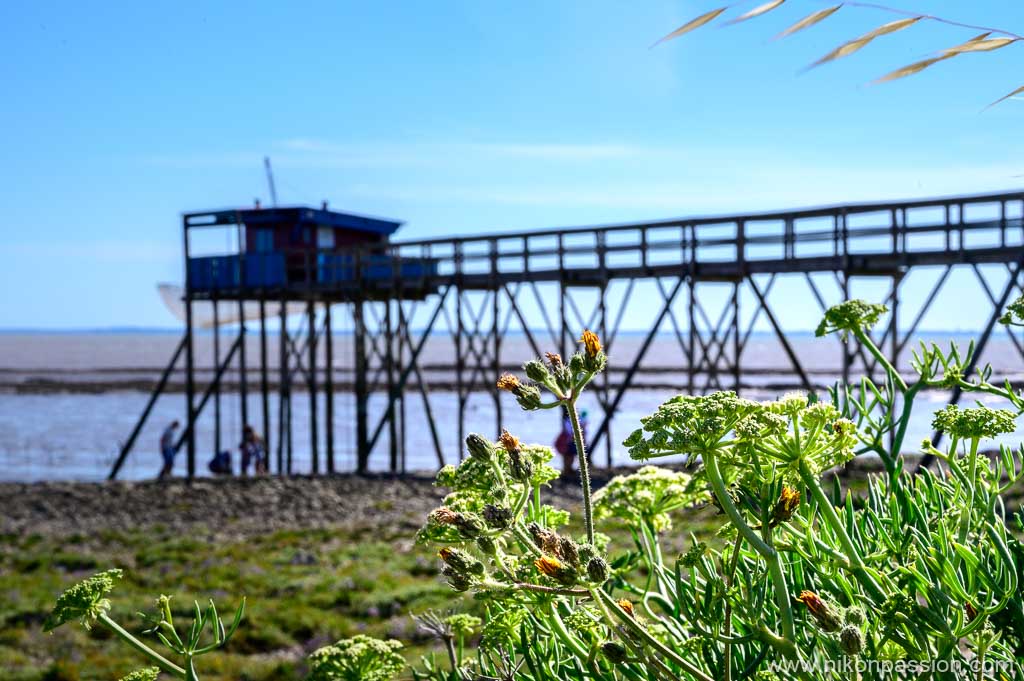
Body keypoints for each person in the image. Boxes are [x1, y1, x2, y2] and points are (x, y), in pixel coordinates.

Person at [554, 409, 589, 479]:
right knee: (568, 456)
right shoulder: (568, 422)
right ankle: (567, 470)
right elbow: (570, 433)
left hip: (570, 443)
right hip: (567, 443)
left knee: (570, 456)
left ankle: (568, 470)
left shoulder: (577, 421)